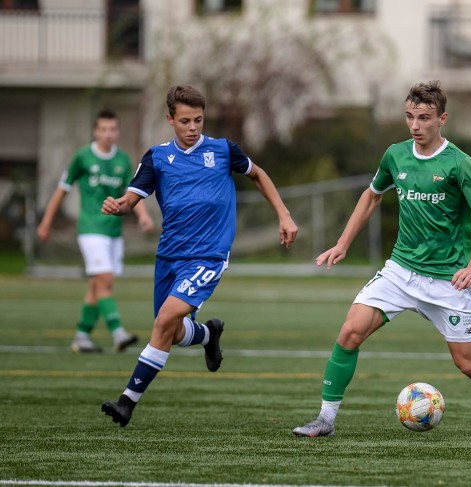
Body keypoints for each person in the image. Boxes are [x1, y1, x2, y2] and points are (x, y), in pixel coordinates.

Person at [292, 81, 471, 438]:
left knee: (469, 364)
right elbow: (371, 197)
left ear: (442, 119)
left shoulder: (459, 164)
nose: (415, 125)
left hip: (447, 280)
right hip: (400, 271)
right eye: (409, 117)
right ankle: (325, 419)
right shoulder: (395, 155)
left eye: (424, 118)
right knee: (350, 332)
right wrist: (342, 243)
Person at [100, 84, 298, 427]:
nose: (193, 128)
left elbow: (258, 174)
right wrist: (118, 206)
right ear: (170, 120)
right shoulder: (157, 158)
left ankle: (126, 403)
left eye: (199, 121)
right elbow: (132, 198)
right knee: (172, 332)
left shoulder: (223, 150)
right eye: (186, 121)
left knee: (164, 321)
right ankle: (209, 334)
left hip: (208, 255)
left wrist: (284, 213)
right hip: (169, 257)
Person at [37, 109, 154, 354]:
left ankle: (81, 336)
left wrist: (143, 216)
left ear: (117, 131)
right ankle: (118, 332)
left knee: (97, 286)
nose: (108, 134)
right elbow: (62, 190)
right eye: (104, 129)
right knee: (105, 280)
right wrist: (46, 223)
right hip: (90, 229)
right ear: (95, 131)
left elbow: (133, 193)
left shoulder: (123, 160)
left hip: (113, 232)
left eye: (113, 129)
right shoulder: (82, 158)